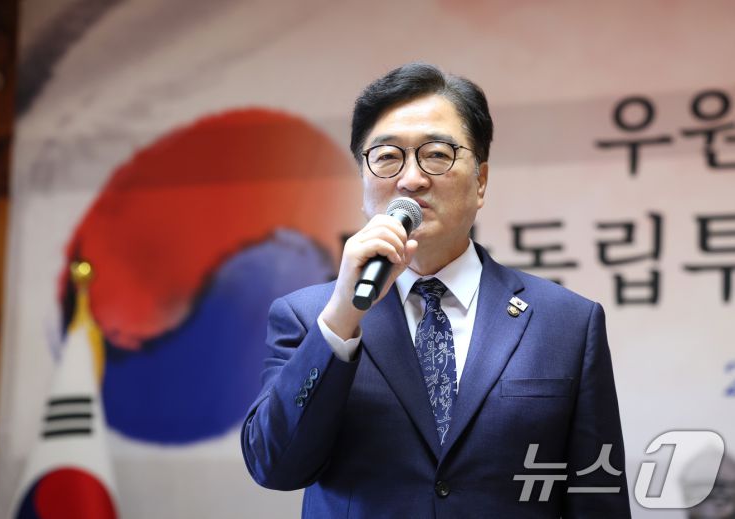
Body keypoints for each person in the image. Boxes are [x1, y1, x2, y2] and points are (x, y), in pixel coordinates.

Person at [241, 62, 631, 518]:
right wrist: (342, 317)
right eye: (387, 156)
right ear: (363, 179)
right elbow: (274, 466)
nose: (411, 179)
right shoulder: (311, 317)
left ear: (480, 181)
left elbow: (597, 493)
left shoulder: (567, 323)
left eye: (437, 154)